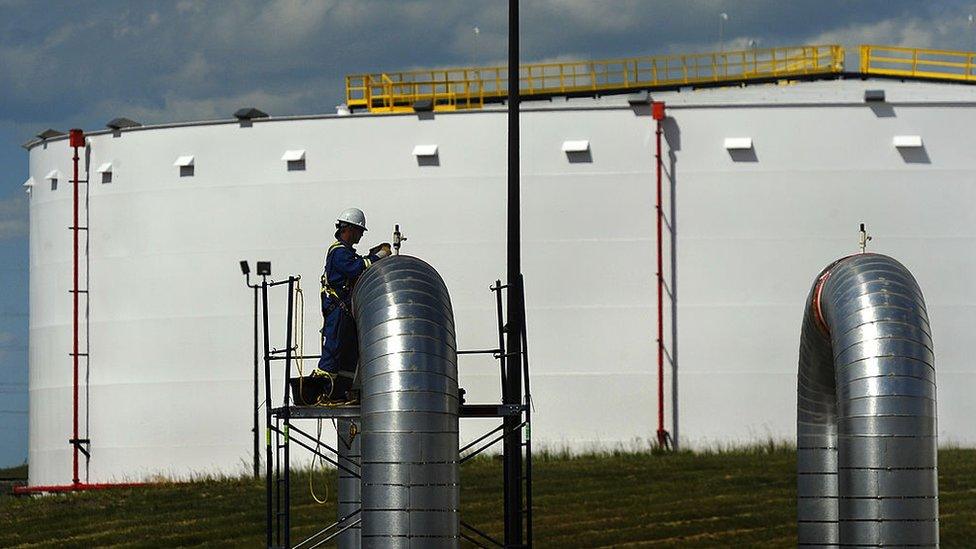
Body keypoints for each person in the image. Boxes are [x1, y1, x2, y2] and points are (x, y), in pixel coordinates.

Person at [314, 207, 391, 400]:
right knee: (334, 349)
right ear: (348, 229)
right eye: (359, 231)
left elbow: (358, 264)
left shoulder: (347, 253)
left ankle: (341, 391)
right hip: (337, 310)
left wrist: (371, 255)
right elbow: (357, 268)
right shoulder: (339, 252)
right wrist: (378, 257)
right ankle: (323, 391)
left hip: (346, 312)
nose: (360, 236)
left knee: (349, 353)